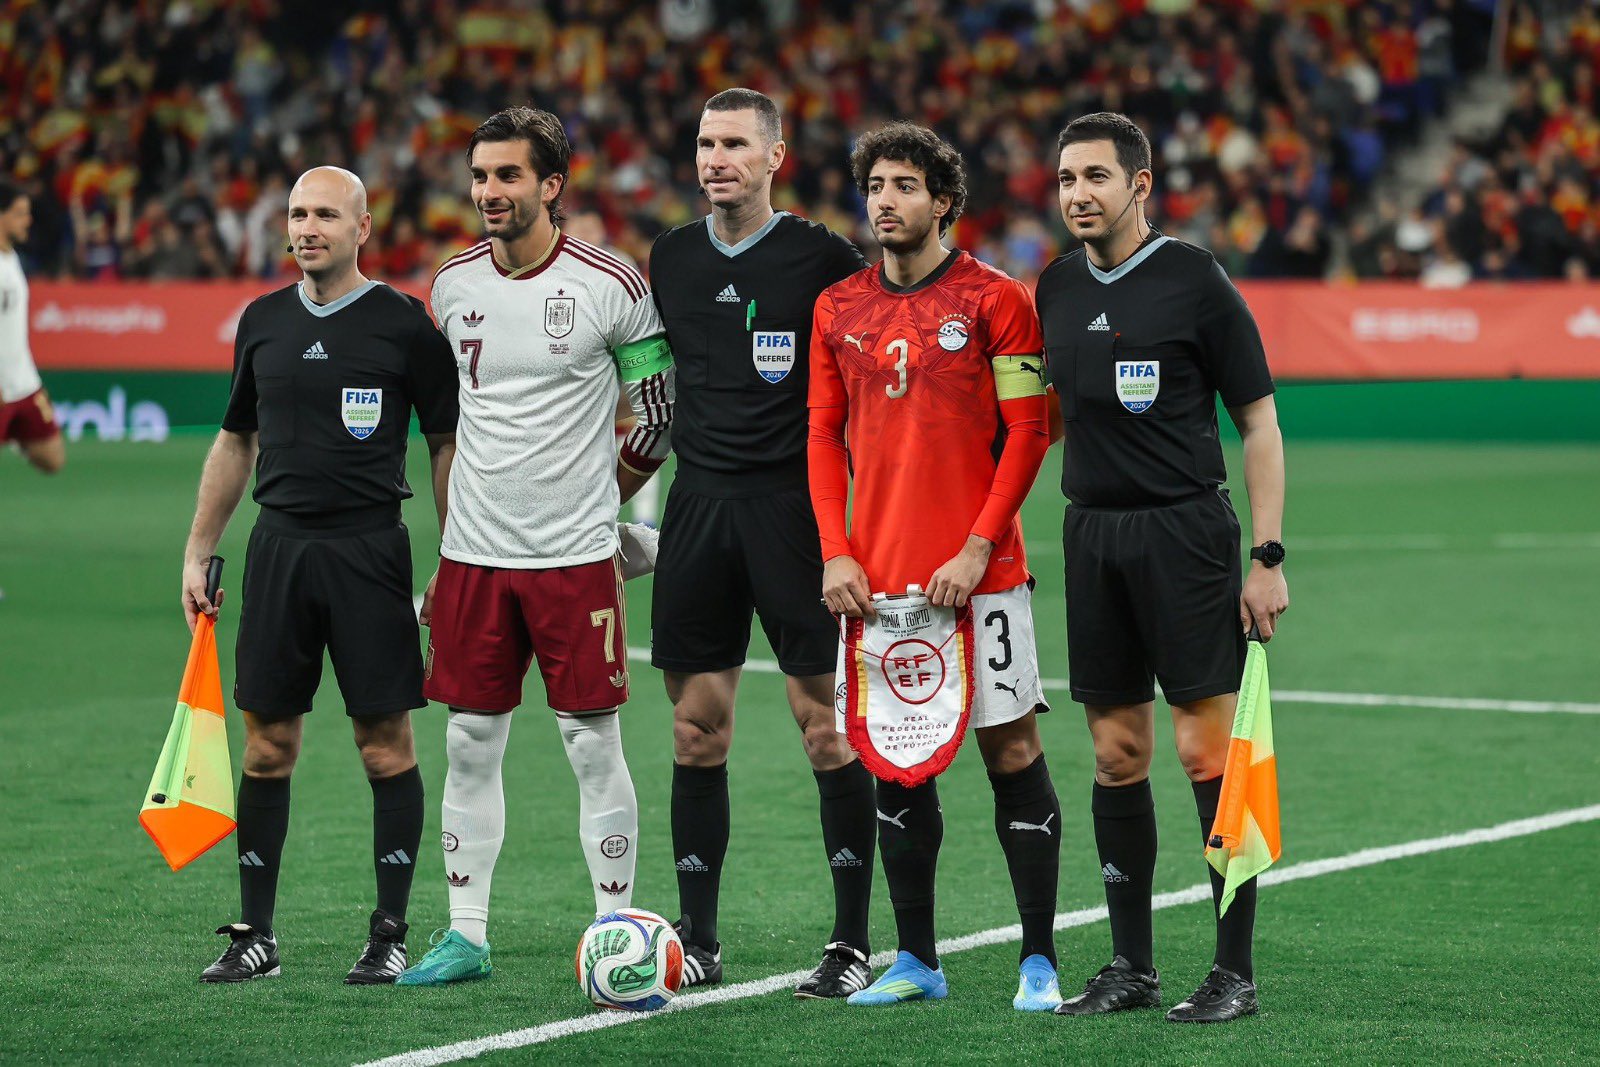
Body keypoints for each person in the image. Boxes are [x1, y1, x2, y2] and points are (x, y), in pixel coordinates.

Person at [398, 107, 675, 986]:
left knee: (591, 745)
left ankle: (614, 928)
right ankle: (465, 935)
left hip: (573, 560)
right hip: (475, 557)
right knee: (469, 741)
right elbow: (450, 424)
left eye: (508, 175)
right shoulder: (451, 286)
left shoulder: (611, 284)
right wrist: (449, 540)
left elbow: (659, 417)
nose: (488, 191)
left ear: (551, 184)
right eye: (480, 175)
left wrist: (602, 500)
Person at [1036, 112, 1289, 1024]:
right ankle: (1130, 966)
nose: (1078, 194)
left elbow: (1259, 422)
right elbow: (1044, 417)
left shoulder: (1194, 279)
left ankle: (1233, 972)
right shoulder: (1056, 285)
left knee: (1204, 751)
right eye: (1067, 178)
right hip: (1092, 535)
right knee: (1116, 754)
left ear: (1140, 184)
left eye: (1096, 176)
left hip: (1185, 534)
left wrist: (1266, 557)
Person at [181, 166, 459, 984]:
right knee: (267, 745)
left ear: (362, 227)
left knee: (384, 743)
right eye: (298, 213)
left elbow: (446, 443)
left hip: (370, 551)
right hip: (279, 550)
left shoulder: (404, 325)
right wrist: (198, 548)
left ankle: (389, 931)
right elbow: (236, 440)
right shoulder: (262, 320)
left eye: (325, 215)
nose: (307, 227)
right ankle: (255, 936)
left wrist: (453, 556)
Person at [809, 122, 1063, 1011]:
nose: (885, 201)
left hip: (981, 577)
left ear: (943, 201)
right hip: (877, 584)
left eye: (905, 186)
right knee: (894, 760)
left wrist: (978, 544)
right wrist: (836, 551)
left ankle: (1039, 961)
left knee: (1012, 749)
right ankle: (917, 958)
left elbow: (1030, 431)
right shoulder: (837, 307)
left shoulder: (998, 300)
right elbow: (821, 436)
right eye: (876, 185)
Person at [647, 88, 875, 998]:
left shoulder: (824, 257)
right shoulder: (670, 256)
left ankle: (850, 940)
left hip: (795, 515)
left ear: (775, 156)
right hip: (698, 511)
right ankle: (698, 939)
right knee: (695, 728)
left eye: (736, 144)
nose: (716, 159)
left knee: (827, 729)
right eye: (706, 143)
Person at [0, 180, 65, 475]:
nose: (28, 220)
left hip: (24, 383)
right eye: (19, 213)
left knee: (52, 458)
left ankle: (15, 435)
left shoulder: (11, 257)